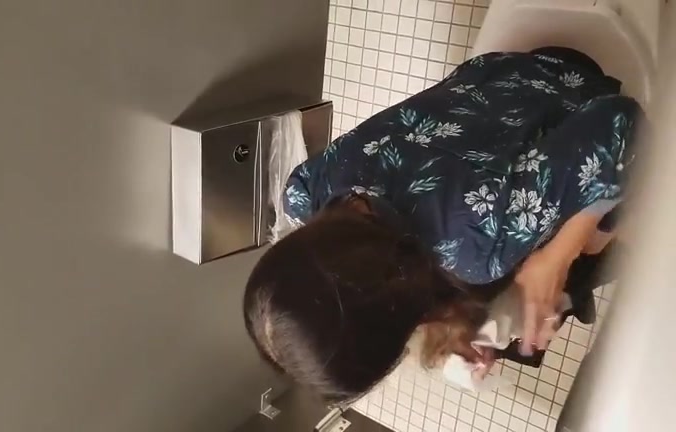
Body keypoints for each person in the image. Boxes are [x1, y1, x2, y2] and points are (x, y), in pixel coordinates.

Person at [243, 47, 644, 402]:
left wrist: (558, 257)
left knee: (595, 241)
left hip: (568, 86)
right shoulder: (303, 190)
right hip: (487, 73)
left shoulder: (479, 245)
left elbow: (625, 126)